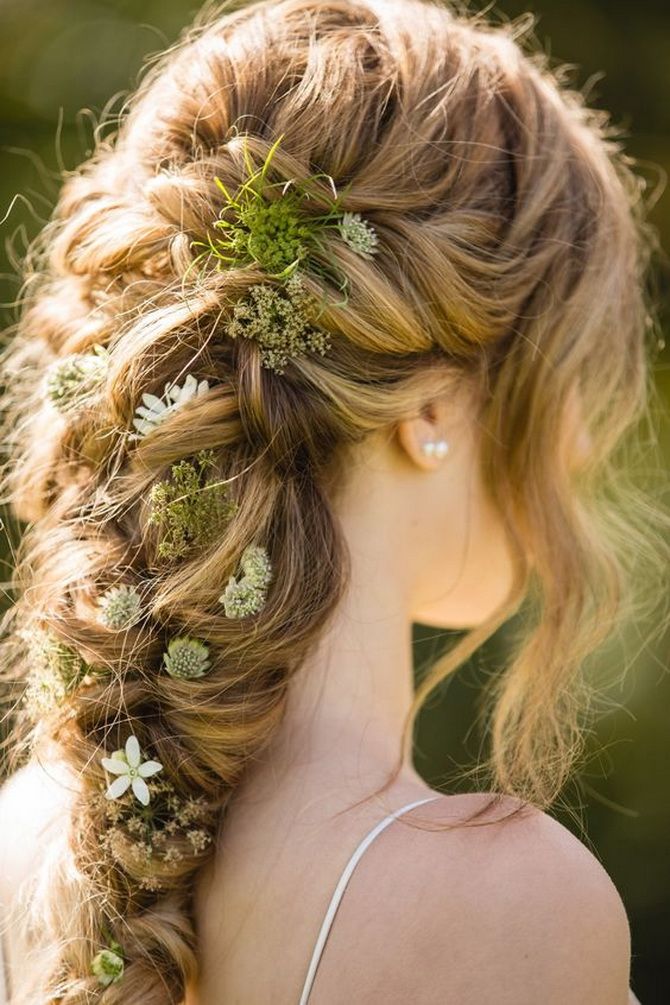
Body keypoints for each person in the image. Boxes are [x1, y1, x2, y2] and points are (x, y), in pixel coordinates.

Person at [0, 0, 663, 1001]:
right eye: (575, 375)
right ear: (435, 405)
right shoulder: (502, 907)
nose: (581, 444)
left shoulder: (24, 833)